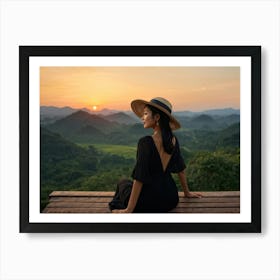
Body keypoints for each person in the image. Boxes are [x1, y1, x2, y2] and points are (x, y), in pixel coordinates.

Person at [109, 97, 202, 213]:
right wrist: (187, 193)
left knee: (123, 183)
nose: (142, 118)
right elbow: (180, 169)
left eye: (146, 114)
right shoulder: (173, 140)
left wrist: (129, 209)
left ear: (157, 117)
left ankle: (127, 206)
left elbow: (139, 177)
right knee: (127, 184)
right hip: (170, 198)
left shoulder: (145, 142)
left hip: (149, 201)